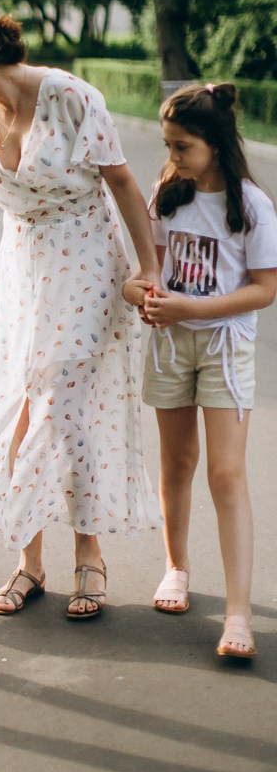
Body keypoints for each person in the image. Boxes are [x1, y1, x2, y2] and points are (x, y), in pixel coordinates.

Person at [0, 6, 162, 619]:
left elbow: (123, 183)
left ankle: (90, 556)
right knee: (17, 409)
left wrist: (148, 267)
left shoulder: (71, 97)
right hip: (22, 265)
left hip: (85, 257)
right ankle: (29, 563)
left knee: (64, 411)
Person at [125, 82, 277, 659]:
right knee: (176, 462)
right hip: (169, 347)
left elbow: (264, 291)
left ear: (215, 143)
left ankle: (238, 612)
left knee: (227, 475)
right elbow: (149, 269)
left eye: (182, 146)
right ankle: (177, 568)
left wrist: (192, 308)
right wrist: (139, 291)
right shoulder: (170, 192)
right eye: (168, 146)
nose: (172, 159)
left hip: (224, 350)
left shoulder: (252, 206)